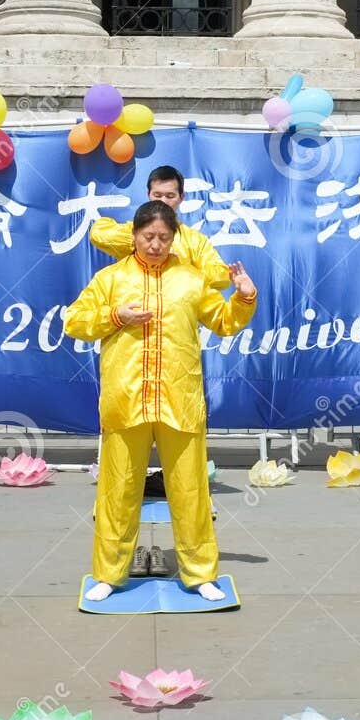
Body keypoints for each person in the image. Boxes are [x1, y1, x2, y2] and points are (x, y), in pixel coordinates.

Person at [63, 201, 257, 603]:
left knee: (190, 491)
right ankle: (110, 573)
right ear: (133, 235)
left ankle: (200, 573)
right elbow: (75, 321)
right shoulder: (111, 279)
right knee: (118, 491)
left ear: (174, 239)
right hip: (125, 399)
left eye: (163, 238)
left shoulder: (190, 279)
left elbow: (222, 321)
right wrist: (116, 316)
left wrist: (244, 298)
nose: (155, 245)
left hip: (179, 400)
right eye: (148, 236)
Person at [90, 166, 229, 287]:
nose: (163, 201)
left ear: (181, 197)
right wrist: (138, 241)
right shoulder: (135, 231)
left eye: (170, 196)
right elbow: (98, 233)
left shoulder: (195, 240)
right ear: (148, 195)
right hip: (135, 311)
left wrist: (183, 270)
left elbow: (221, 275)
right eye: (157, 195)